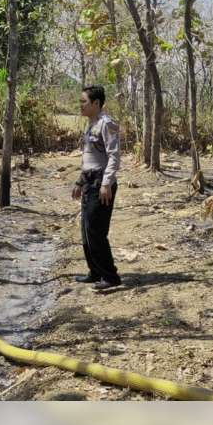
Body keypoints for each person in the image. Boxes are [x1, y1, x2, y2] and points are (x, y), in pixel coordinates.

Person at [72, 85, 121, 290]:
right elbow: (90, 158)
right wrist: (79, 181)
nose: (80, 105)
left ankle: (110, 276)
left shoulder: (106, 124)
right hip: (89, 182)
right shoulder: (91, 124)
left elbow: (114, 156)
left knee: (96, 231)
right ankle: (95, 271)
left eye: (84, 101)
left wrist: (106, 183)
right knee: (86, 230)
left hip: (101, 183)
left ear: (96, 103)